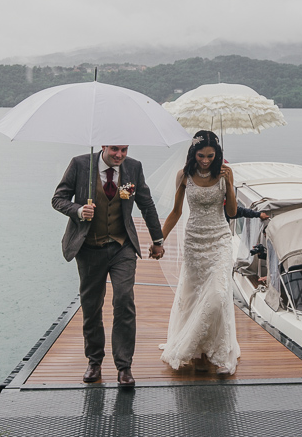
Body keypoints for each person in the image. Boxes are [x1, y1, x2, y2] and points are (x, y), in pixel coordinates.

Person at [52, 145, 165, 388]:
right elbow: (58, 199)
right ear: (103, 146)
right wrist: (79, 210)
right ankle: (94, 361)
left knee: (124, 301)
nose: (120, 155)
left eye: (124, 150)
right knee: (91, 306)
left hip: (122, 247)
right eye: (115, 150)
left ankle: (124, 367)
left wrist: (157, 240)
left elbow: (146, 204)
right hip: (89, 248)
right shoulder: (80, 164)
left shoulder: (133, 167)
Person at [158, 130, 241, 374]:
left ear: (217, 155)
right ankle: (197, 344)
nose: (205, 160)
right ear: (193, 154)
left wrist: (231, 185)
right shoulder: (183, 176)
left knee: (218, 294)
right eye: (201, 155)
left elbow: (233, 212)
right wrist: (158, 240)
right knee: (193, 295)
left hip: (220, 239)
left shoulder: (226, 174)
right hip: (194, 240)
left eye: (210, 156)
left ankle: (220, 347)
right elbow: (175, 212)